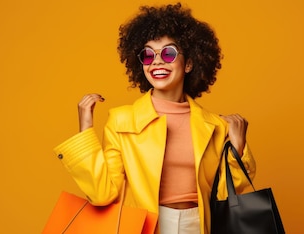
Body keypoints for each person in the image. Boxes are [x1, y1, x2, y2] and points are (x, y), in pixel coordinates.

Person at [53, 3, 256, 234]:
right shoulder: (121, 121)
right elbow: (102, 195)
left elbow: (226, 198)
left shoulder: (215, 126)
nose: (157, 61)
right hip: (144, 227)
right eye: (148, 55)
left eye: (168, 53)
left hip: (199, 226)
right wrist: (85, 130)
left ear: (189, 63)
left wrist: (237, 150)